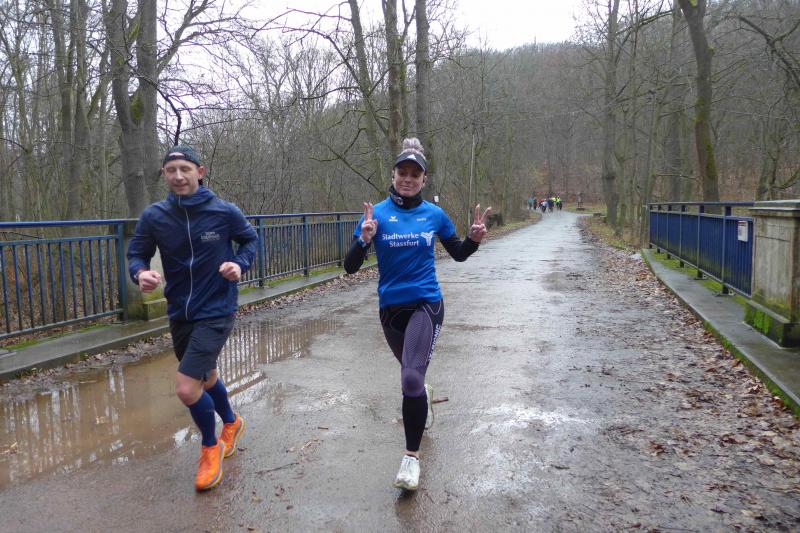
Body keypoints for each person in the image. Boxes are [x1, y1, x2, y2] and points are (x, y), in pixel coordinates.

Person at [344, 138, 491, 492]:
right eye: (403, 173)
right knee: (414, 377)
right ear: (393, 176)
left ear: (424, 179)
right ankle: (421, 396)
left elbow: (458, 254)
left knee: (409, 378)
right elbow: (349, 267)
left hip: (427, 304)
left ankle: (411, 459)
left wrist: (473, 240)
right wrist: (364, 240)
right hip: (390, 310)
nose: (408, 179)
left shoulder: (434, 215)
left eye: (415, 174)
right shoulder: (376, 215)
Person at [127, 145, 258, 491]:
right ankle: (231, 422)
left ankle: (211, 448)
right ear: (164, 175)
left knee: (187, 388)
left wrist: (239, 264)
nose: (178, 176)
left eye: (185, 169)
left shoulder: (223, 212)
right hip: (179, 311)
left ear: (199, 172)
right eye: (171, 170)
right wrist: (140, 273)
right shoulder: (154, 216)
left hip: (217, 308)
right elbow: (136, 253)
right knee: (207, 376)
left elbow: (249, 241)